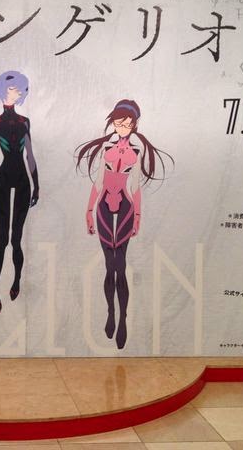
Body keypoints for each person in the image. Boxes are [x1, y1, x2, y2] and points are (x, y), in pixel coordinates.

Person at [75, 99, 171, 349]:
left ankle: (123, 319)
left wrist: (137, 215)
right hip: (104, 207)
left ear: (135, 125)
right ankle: (111, 312)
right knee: (110, 266)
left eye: (128, 124)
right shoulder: (106, 148)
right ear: (113, 123)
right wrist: (89, 210)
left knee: (121, 265)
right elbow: (98, 182)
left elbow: (135, 187)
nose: (124, 127)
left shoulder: (136, 153)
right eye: (120, 123)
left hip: (126, 207)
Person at [0, 71, 39, 314]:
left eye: (20, 89)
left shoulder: (25, 122)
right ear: (3, 91)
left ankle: (16, 280)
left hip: (23, 180)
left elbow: (30, 155)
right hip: (3, 180)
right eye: (14, 88)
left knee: (16, 239)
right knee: (2, 239)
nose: (18, 92)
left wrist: (37, 184)